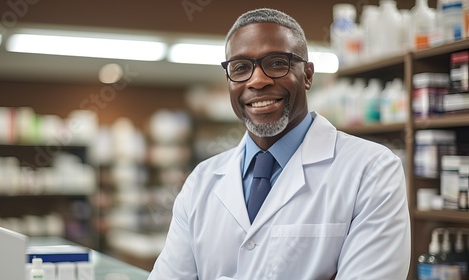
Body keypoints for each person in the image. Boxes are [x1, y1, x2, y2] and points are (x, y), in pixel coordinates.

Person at [148, 7, 411, 280]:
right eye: (240, 68)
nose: (258, 80)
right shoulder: (201, 182)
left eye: (276, 63)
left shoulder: (372, 170)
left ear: (308, 75)